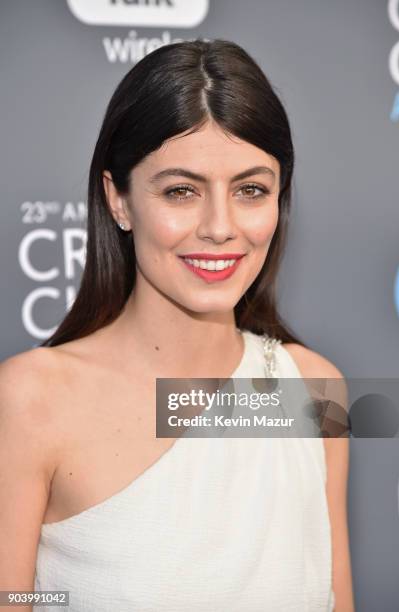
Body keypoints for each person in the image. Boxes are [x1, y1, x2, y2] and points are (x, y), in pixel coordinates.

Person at [0, 38, 354, 611]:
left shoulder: (314, 391)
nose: (220, 227)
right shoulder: (30, 399)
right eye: (181, 191)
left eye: (250, 190)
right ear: (118, 200)